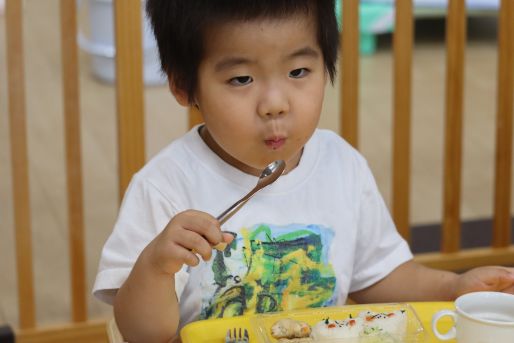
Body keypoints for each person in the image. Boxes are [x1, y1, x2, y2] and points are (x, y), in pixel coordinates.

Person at [93, 1, 514, 342]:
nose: (276, 103)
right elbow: (140, 333)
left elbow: (380, 277)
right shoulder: (164, 185)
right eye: (241, 79)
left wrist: (453, 290)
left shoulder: (341, 165)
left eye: (298, 72)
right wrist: (155, 267)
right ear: (184, 85)